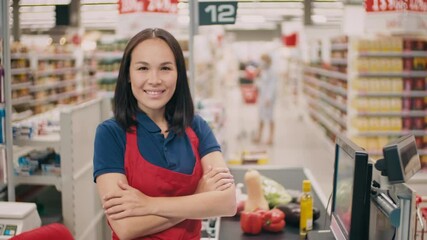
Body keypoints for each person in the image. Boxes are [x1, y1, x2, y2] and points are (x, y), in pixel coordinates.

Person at [93, 28, 236, 240]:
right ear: (128, 76)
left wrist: (148, 204)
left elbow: (227, 202)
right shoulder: (111, 134)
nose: (154, 79)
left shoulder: (196, 126)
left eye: (165, 68)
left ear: (178, 74)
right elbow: (125, 227)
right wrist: (199, 197)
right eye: (143, 68)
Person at [253, 53, 278, 145]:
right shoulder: (263, 71)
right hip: (262, 97)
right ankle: (259, 135)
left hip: (269, 99)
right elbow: (259, 82)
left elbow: (272, 86)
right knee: (261, 117)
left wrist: (268, 98)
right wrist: (257, 73)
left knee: (270, 117)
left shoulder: (272, 72)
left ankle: (271, 138)